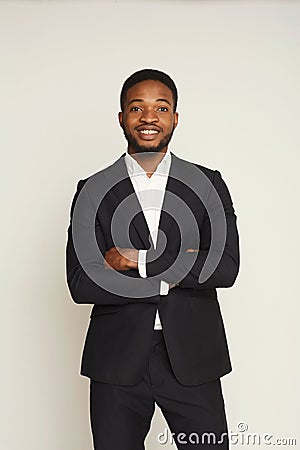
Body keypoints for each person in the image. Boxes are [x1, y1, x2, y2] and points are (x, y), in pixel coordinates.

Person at [66, 68, 240, 449]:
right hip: (117, 360)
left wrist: (138, 262)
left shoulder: (209, 184)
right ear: (122, 118)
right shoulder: (92, 190)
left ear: (175, 117)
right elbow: (81, 282)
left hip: (193, 357)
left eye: (161, 107)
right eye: (136, 108)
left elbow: (225, 267)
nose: (149, 117)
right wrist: (184, 264)